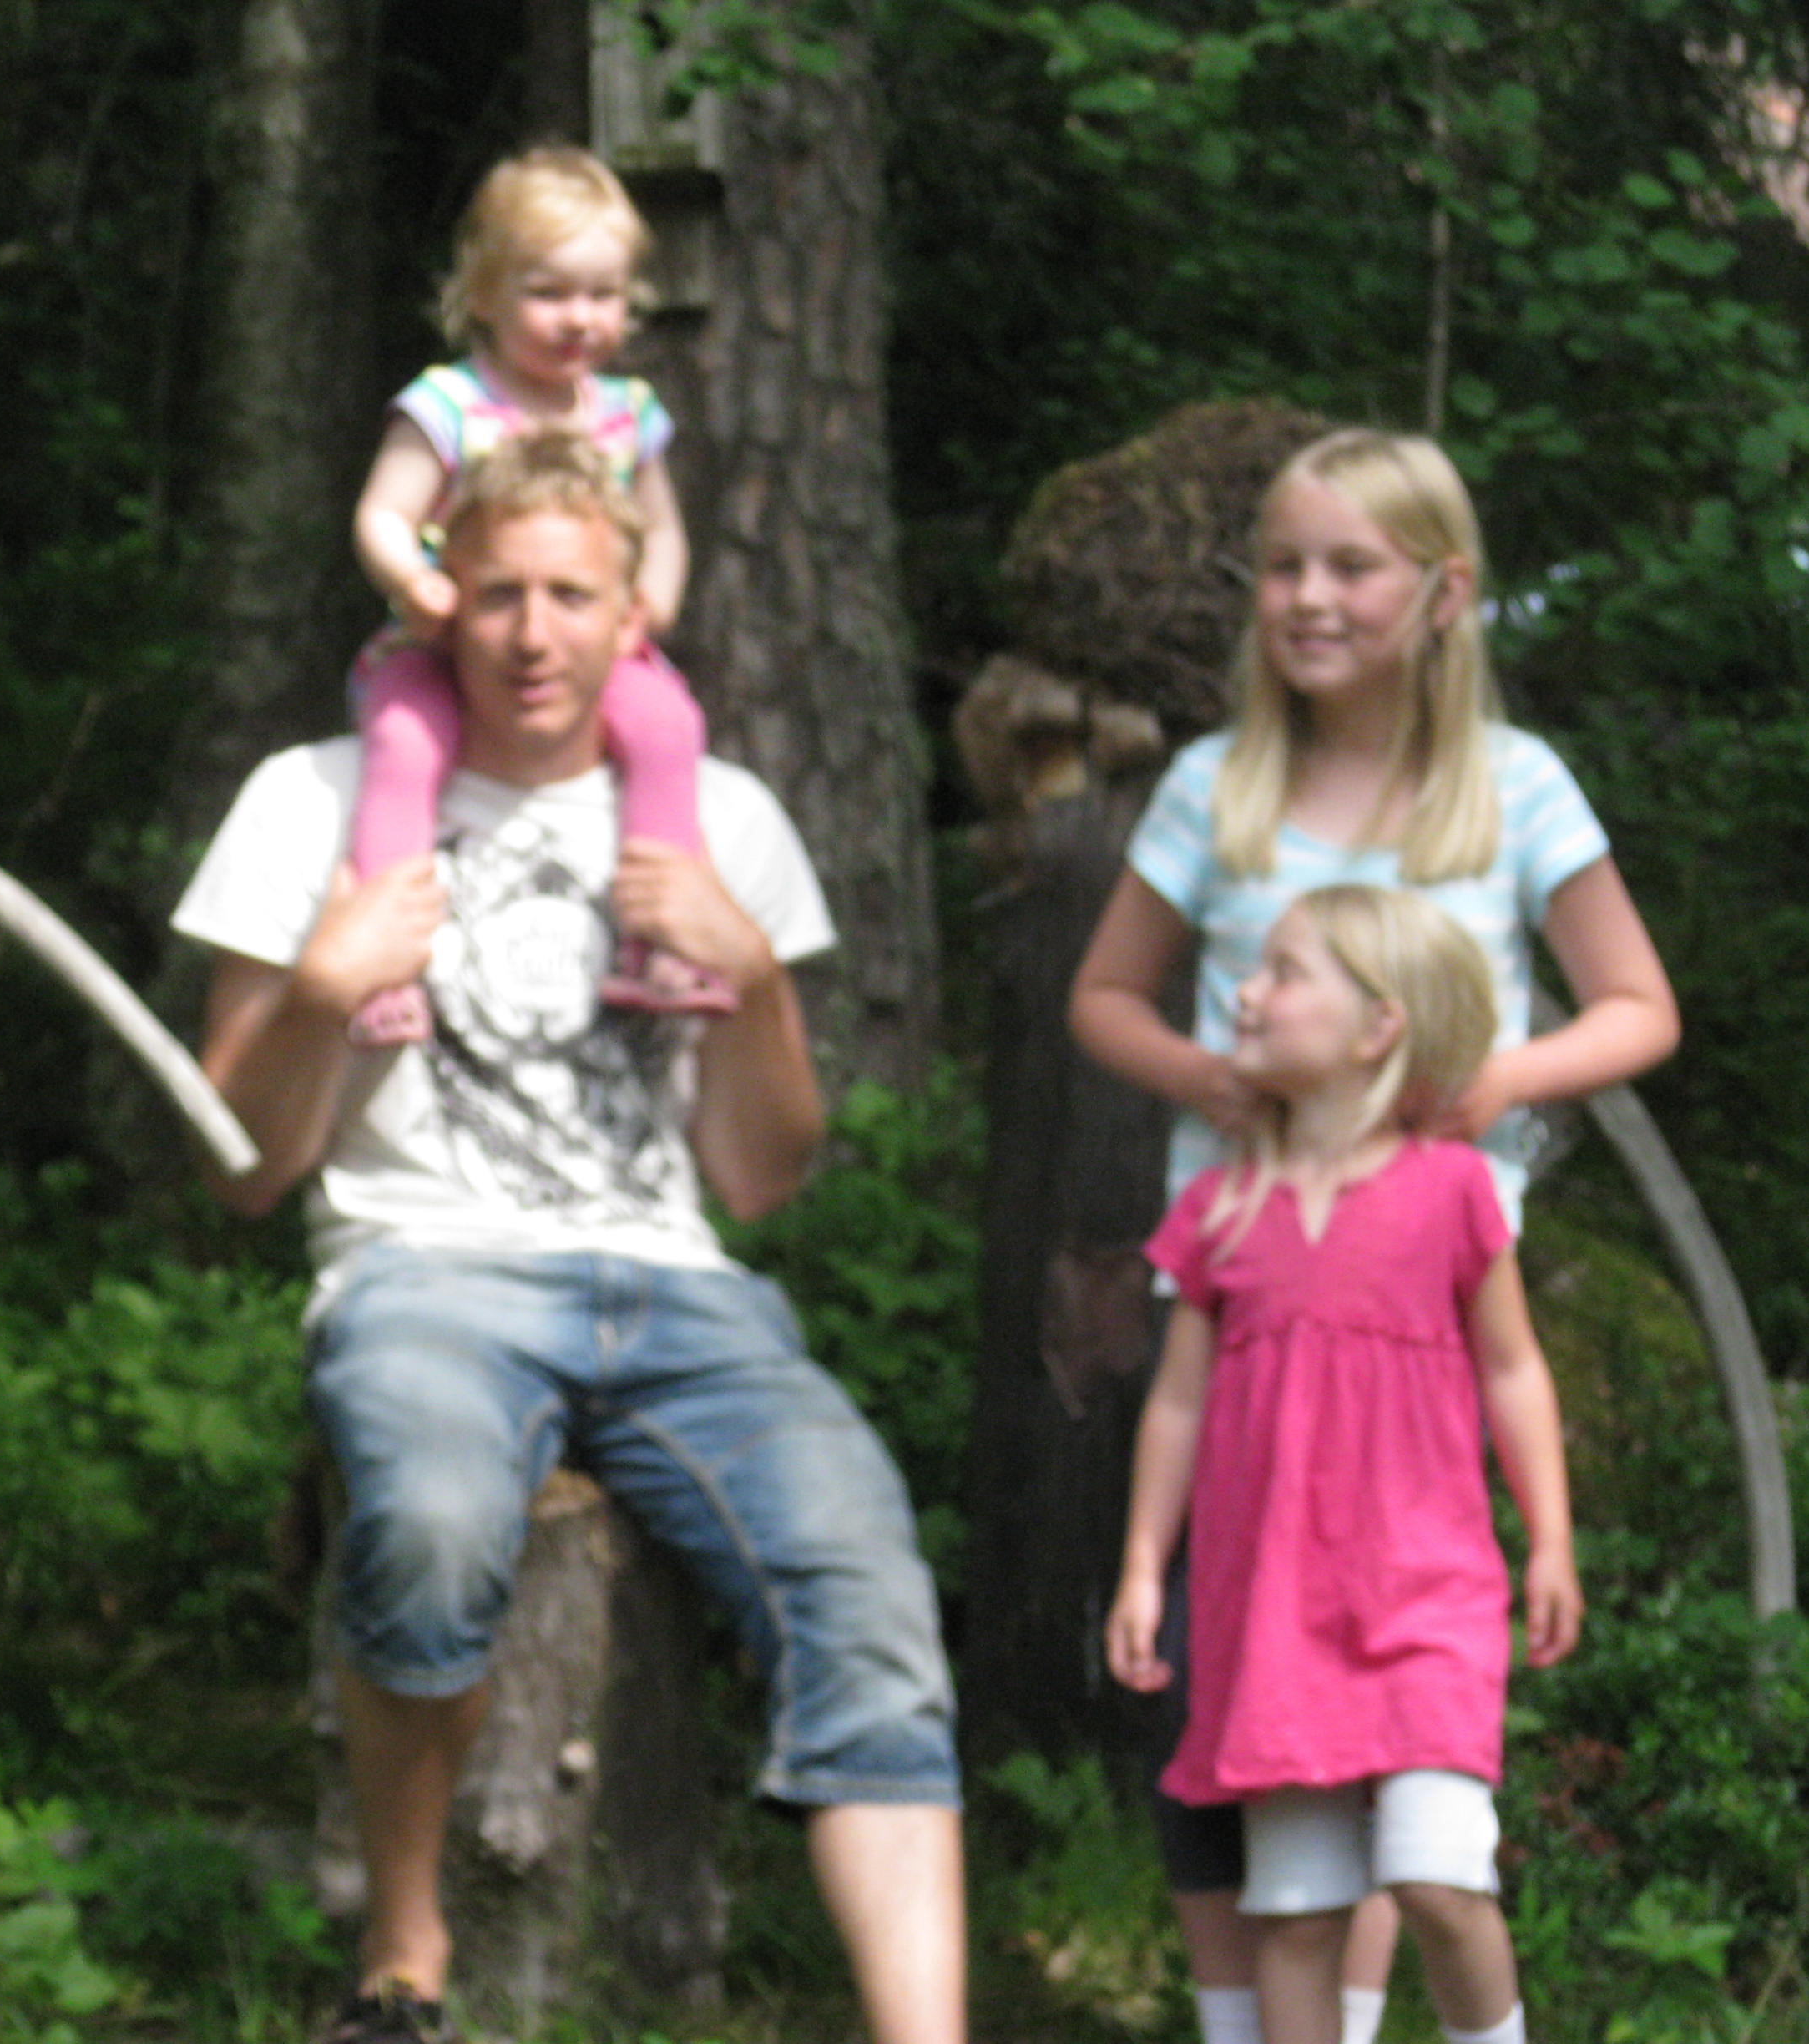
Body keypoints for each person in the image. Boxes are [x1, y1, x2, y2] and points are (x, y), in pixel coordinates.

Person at [176, 429, 965, 2044]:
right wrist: (319, 992)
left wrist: (753, 976)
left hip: (678, 1286)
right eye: (497, 594)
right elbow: (242, 1171)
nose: (532, 635)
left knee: (866, 1575)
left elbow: (760, 1176)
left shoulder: (720, 815)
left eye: (569, 597)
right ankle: (403, 1959)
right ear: (438, 600)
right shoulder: (310, 799)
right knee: (431, 1518)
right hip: (421, 1272)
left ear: (630, 616)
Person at [1069, 427, 1678, 2044]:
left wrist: (1496, 1081)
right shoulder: (1214, 786)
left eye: (1350, 566)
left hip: (1418, 1310)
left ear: (1442, 592)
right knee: (1231, 1692)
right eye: (1282, 566)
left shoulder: (1516, 785)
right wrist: (1212, 1077)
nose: (1308, 597)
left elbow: (1637, 1004)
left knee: (1379, 1706)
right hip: (1241, 1287)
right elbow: (1104, 996)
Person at [1106, 884, 1583, 2044]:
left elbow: (1514, 1370)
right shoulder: (1221, 1209)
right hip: (1273, 1616)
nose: (1247, 993)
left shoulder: (1454, 1191)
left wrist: (1552, 1540)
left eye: (1283, 972)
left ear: (1380, 1026)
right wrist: (1143, 1567)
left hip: (1424, 1597)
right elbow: (1177, 1404)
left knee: (1437, 1879)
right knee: (1298, 1914)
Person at [343, 144, 721, 1045]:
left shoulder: (626, 413)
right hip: (443, 645)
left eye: (603, 295)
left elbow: (663, 530)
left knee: (669, 730)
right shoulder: (449, 404)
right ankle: (384, 968)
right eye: (549, 293)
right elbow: (381, 515)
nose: (579, 318)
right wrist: (413, 580)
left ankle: (663, 944)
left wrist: (654, 600)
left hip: (589, 655)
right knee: (404, 745)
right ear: (482, 294)